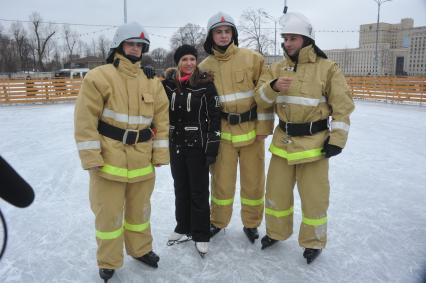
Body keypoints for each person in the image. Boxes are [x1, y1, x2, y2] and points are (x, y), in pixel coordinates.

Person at [254, 12, 355, 264]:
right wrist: (273, 87)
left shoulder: (327, 68)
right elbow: (260, 99)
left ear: (307, 39)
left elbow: (343, 107)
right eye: (285, 38)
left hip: (315, 146)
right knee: (276, 195)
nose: (287, 43)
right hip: (282, 143)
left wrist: (337, 139)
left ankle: (313, 242)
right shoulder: (276, 68)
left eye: (293, 38)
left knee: (314, 199)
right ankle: (276, 233)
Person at [74, 22, 169, 282]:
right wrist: (91, 157)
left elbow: (161, 120)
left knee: (140, 213)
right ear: (119, 46)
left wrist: (159, 155)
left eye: (140, 45)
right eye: (131, 44)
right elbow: (85, 121)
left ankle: (140, 249)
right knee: (109, 216)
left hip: (142, 160)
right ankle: (109, 261)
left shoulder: (152, 81)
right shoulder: (98, 77)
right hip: (108, 161)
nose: (136, 49)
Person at [199, 12, 274, 243]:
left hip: (252, 132)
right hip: (222, 134)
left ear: (234, 34)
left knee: (253, 182)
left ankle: (251, 224)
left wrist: (264, 127)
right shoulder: (204, 66)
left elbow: (265, 97)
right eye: (218, 32)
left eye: (227, 31)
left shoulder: (253, 58)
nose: (223, 36)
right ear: (211, 36)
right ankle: (218, 221)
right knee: (221, 182)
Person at [162, 44, 221, 257]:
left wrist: (211, 148)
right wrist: (146, 74)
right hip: (176, 145)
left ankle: (201, 233)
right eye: (184, 59)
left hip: (198, 147)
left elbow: (215, 118)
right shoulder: (167, 85)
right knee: (181, 188)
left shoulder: (206, 85)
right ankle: (182, 226)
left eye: (192, 59)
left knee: (198, 191)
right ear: (177, 62)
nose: (189, 63)